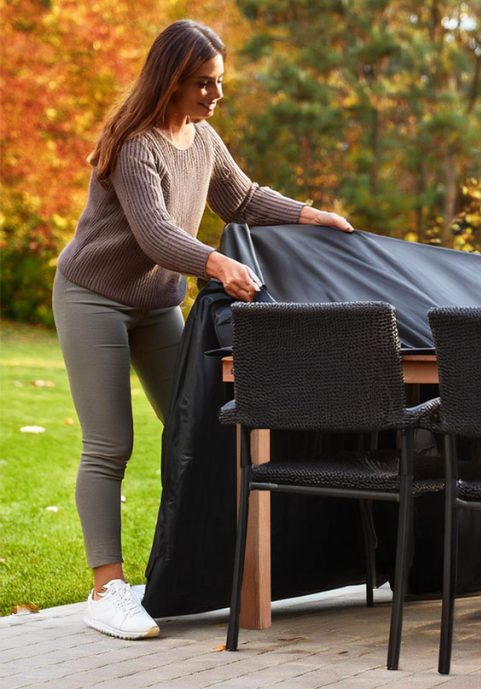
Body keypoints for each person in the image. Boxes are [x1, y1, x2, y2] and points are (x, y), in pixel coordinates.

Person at [52, 19, 352, 640]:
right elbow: (155, 234)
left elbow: (242, 200)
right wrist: (218, 263)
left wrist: (309, 214)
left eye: (220, 82)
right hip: (93, 297)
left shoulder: (203, 138)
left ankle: (194, 563)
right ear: (170, 80)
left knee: (201, 427)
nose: (216, 95)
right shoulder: (135, 144)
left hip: (158, 302)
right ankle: (106, 587)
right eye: (203, 84)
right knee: (109, 444)